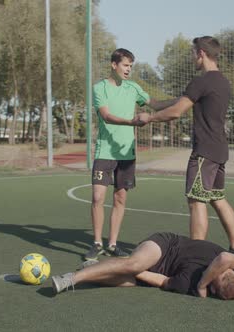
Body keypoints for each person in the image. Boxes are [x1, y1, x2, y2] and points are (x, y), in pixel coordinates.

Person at [137, 36, 234, 259]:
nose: (191, 57)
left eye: (192, 53)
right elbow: (179, 101)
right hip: (220, 150)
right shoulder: (222, 82)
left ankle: (195, 256)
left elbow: (177, 111)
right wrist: (151, 102)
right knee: (217, 198)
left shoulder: (201, 81)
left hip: (204, 151)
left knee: (196, 201)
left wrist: (149, 118)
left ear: (201, 54)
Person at [86, 48, 178, 261]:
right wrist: (132, 122)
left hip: (127, 153)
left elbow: (154, 104)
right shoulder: (99, 88)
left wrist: (180, 99)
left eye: (130, 66)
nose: (128, 70)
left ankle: (113, 244)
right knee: (97, 197)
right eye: (125, 65)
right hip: (105, 151)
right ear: (114, 65)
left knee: (120, 198)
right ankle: (97, 243)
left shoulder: (133, 88)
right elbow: (106, 116)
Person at [52, 232, 234, 300]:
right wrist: (204, 284)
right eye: (229, 272)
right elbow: (225, 257)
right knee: (134, 264)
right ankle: (71, 278)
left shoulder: (188, 285)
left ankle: (91, 269)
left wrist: (131, 271)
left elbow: (163, 281)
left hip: (158, 271)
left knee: (126, 280)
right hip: (165, 245)